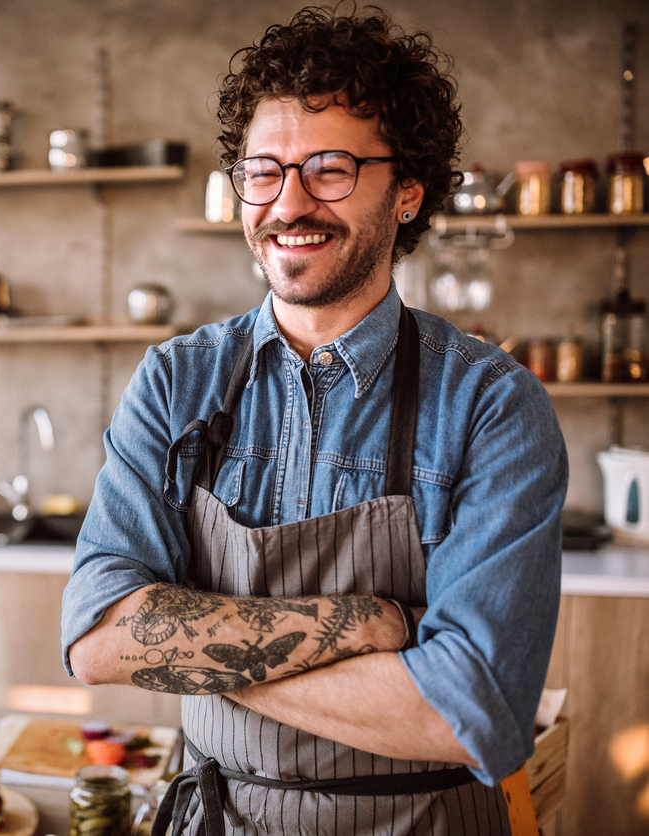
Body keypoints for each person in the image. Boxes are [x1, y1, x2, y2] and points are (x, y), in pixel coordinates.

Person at [61, 7, 567, 835]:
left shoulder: (492, 404)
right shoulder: (178, 380)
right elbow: (98, 637)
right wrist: (365, 628)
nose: (288, 204)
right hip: (214, 818)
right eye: (264, 171)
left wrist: (189, 646)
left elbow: (474, 711)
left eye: (329, 169)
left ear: (409, 190)